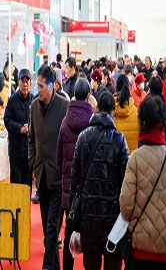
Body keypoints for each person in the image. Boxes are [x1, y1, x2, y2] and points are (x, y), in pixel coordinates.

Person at [120, 94, 166, 270]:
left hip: (138, 249)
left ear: (142, 123)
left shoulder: (135, 159)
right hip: (164, 250)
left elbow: (126, 207)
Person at [71, 92, 129, 270]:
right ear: (113, 112)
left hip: (88, 213)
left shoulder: (83, 137)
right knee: (113, 263)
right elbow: (125, 181)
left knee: (91, 264)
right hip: (113, 215)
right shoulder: (119, 139)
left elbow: (74, 179)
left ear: (96, 109)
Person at [28, 65, 69, 270]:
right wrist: (33, 162)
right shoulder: (34, 106)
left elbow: (69, 140)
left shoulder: (64, 106)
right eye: (37, 85)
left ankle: (46, 267)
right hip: (41, 175)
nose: (38, 89)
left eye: (42, 85)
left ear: (52, 86)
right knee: (47, 227)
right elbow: (31, 139)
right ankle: (54, 266)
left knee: (53, 225)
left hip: (58, 176)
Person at [57, 78, 94, 270]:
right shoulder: (92, 123)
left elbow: (59, 157)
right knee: (89, 233)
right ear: (88, 96)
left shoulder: (65, 122)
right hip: (87, 188)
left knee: (69, 230)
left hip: (69, 187)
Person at [4, 69, 34, 189]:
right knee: (16, 186)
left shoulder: (34, 100)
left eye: (27, 81)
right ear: (18, 83)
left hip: (29, 151)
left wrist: (30, 127)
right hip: (15, 151)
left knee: (27, 186)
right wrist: (19, 129)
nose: (25, 84)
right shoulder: (12, 100)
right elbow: (7, 120)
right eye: (23, 81)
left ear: (31, 84)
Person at [113, 74, 139, 153]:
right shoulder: (137, 113)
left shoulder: (111, 113)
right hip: (132, 157)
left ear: (116, 88)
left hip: (115, 157)